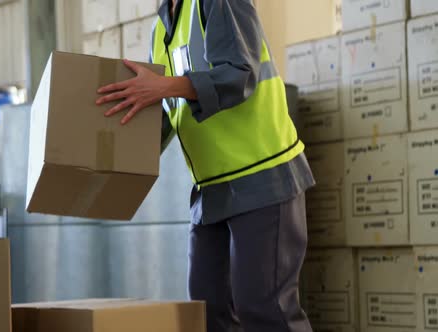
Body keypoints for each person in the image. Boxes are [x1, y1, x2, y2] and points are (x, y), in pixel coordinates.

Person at [96, 0, 315, 331]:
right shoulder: (161, 30)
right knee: (209, 312)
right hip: (211, 191)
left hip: (262, 177)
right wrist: (105, 155)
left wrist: (163, 86)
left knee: (264, 310)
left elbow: (239, 74)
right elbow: (170, 113)